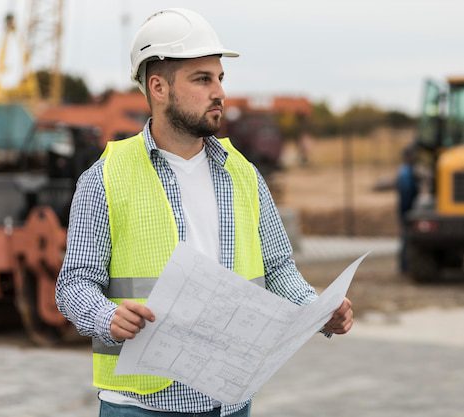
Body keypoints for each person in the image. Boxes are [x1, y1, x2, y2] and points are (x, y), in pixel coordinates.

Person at [55, 8, 353, 417]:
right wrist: (106, 316)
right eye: (202, 79)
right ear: (158, 87)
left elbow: (279, 268)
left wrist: (316, 311)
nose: (219, 92)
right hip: (141, 406)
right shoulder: (105, 178)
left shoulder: (244, 174)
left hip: (228, 401)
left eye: (220, 78)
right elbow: (73, 284)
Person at [396, 145, 419, 274]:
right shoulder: (406, 173)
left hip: (406, 209)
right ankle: (404, 265)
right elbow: (406, 193)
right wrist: (406, 213)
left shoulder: (406, 171)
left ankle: (404, 265)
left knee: (405, 238)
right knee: (406, 238)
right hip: (407, 209)